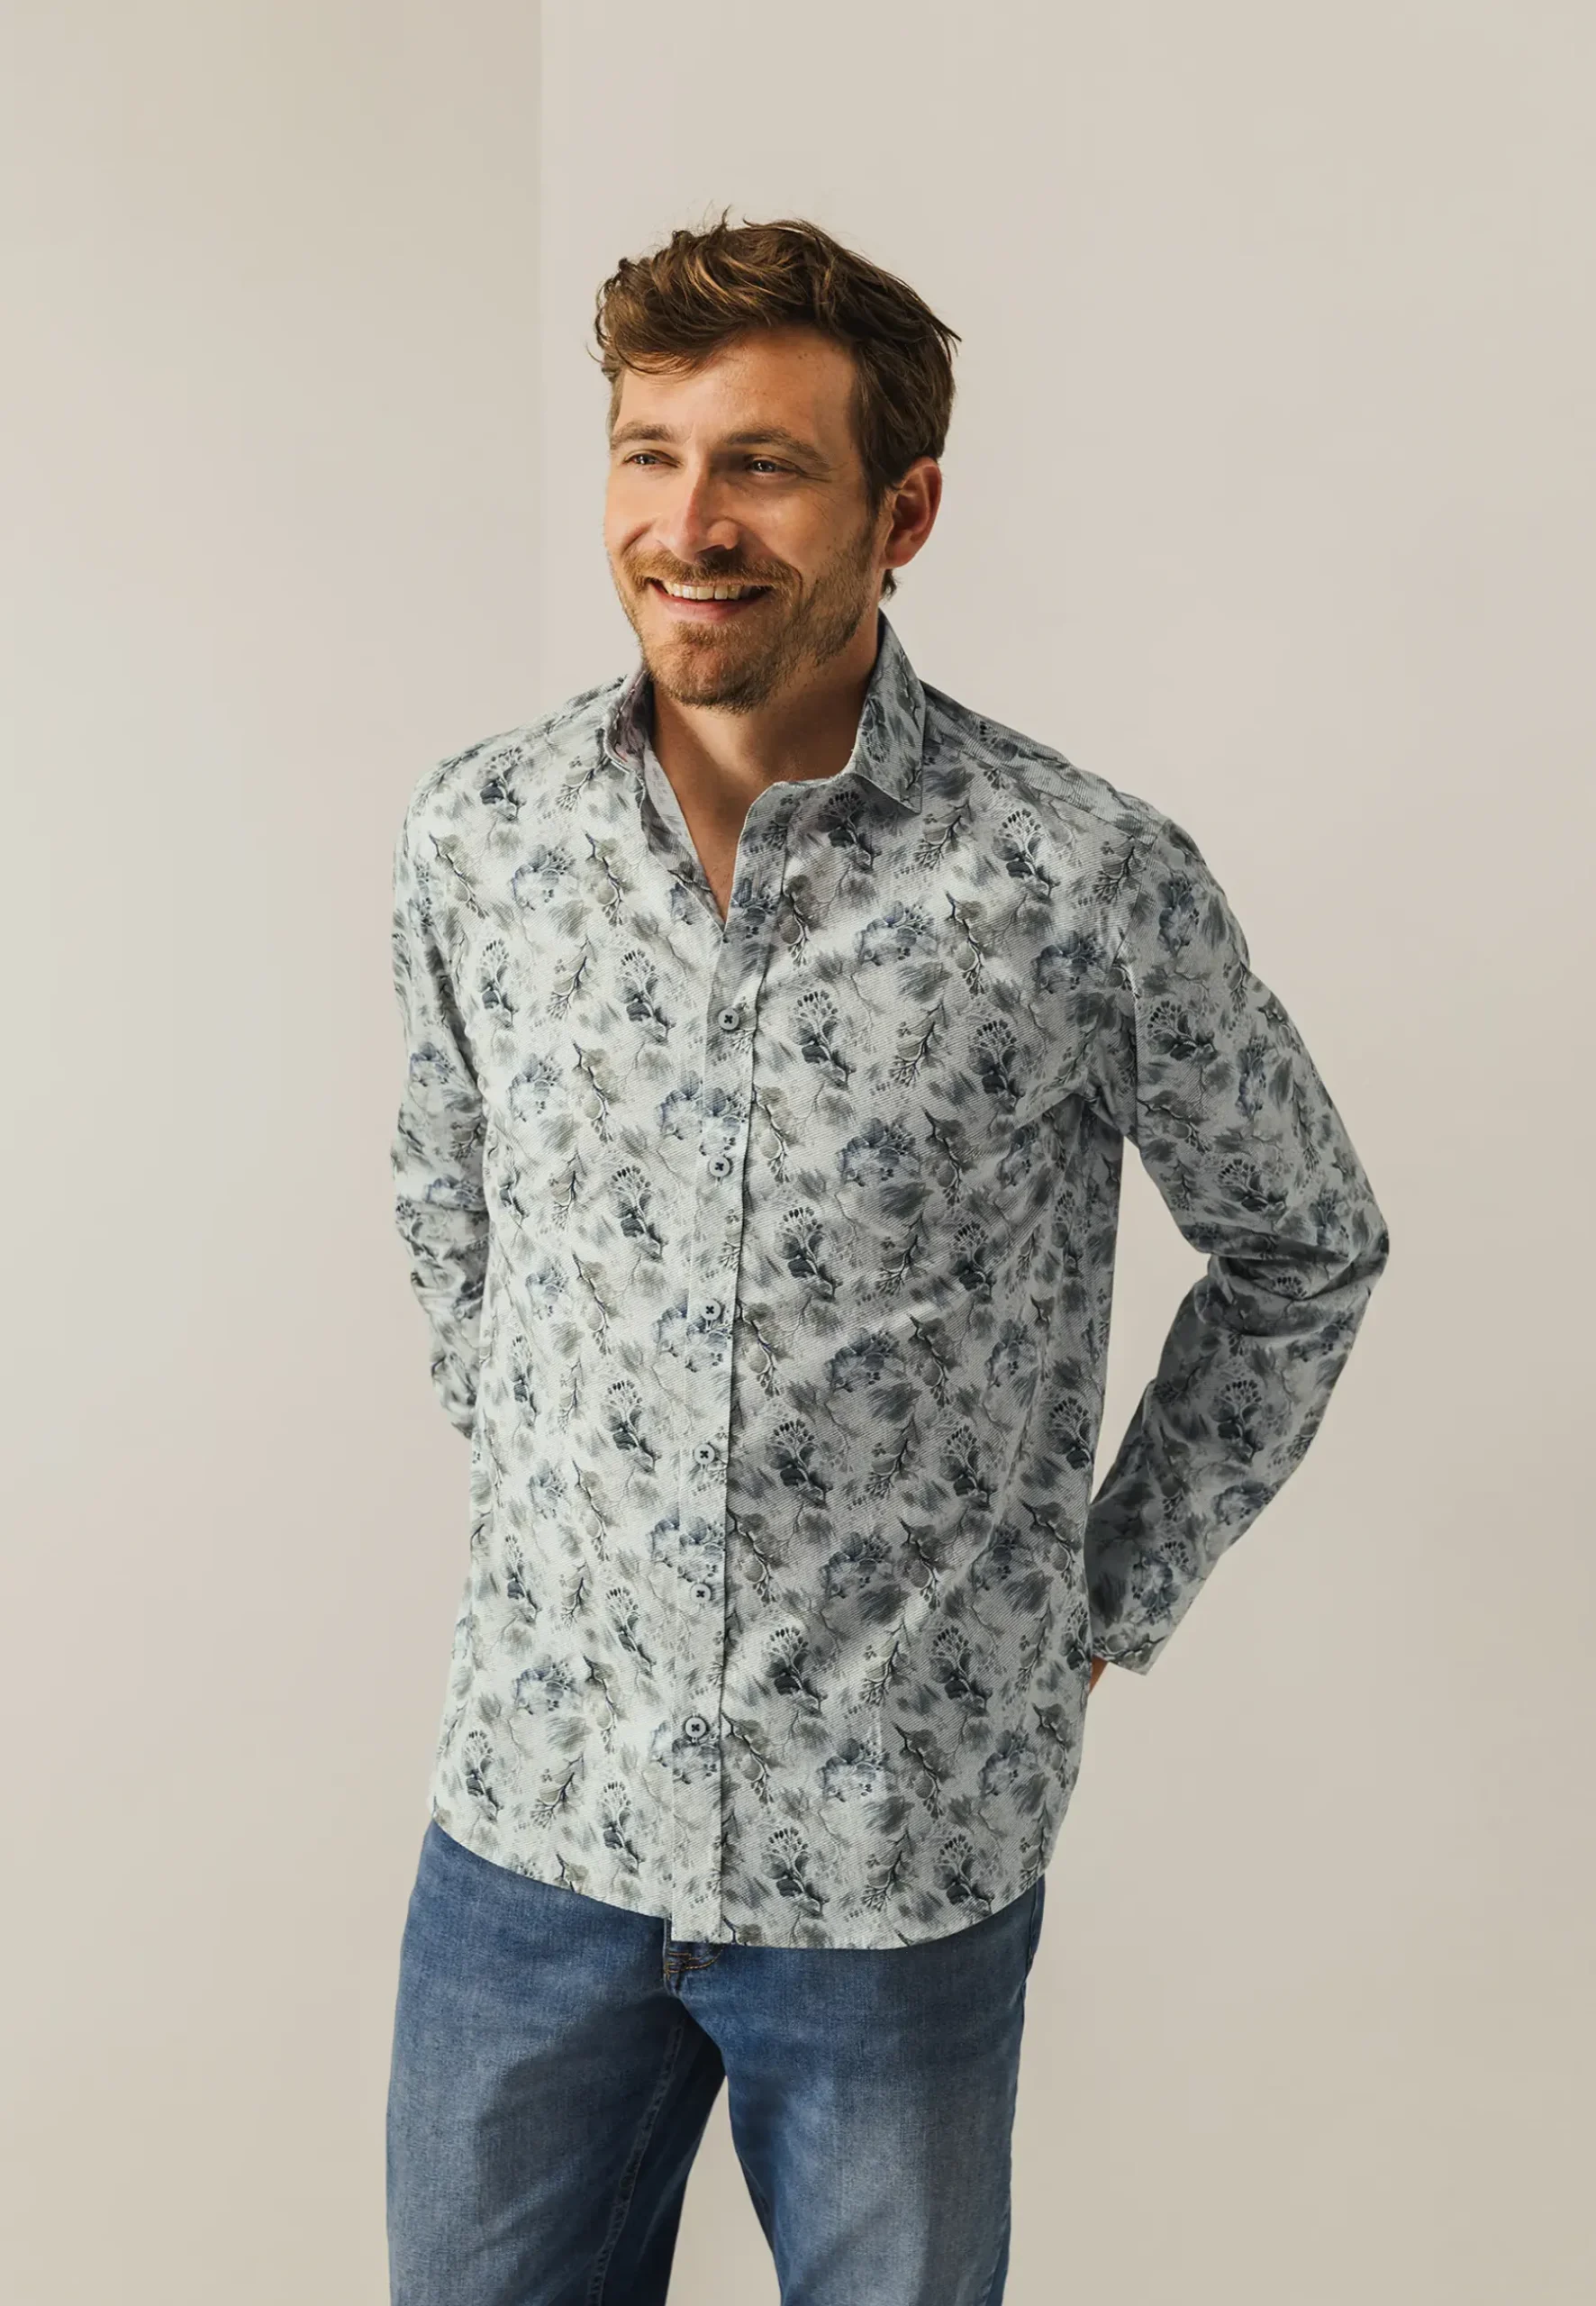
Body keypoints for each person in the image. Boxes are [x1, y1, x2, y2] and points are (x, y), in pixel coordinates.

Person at [383, 210, 1390, 2306]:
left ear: (900, 511)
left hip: (891, 1854)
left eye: (761, 464)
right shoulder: (479, 837)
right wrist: (566, 1509)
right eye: (649, 452)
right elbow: (446, 1185)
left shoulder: (1079, 880)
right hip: (534, 1825)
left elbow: (1301, 1241)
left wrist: (1102, 1590)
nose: (687, 523)